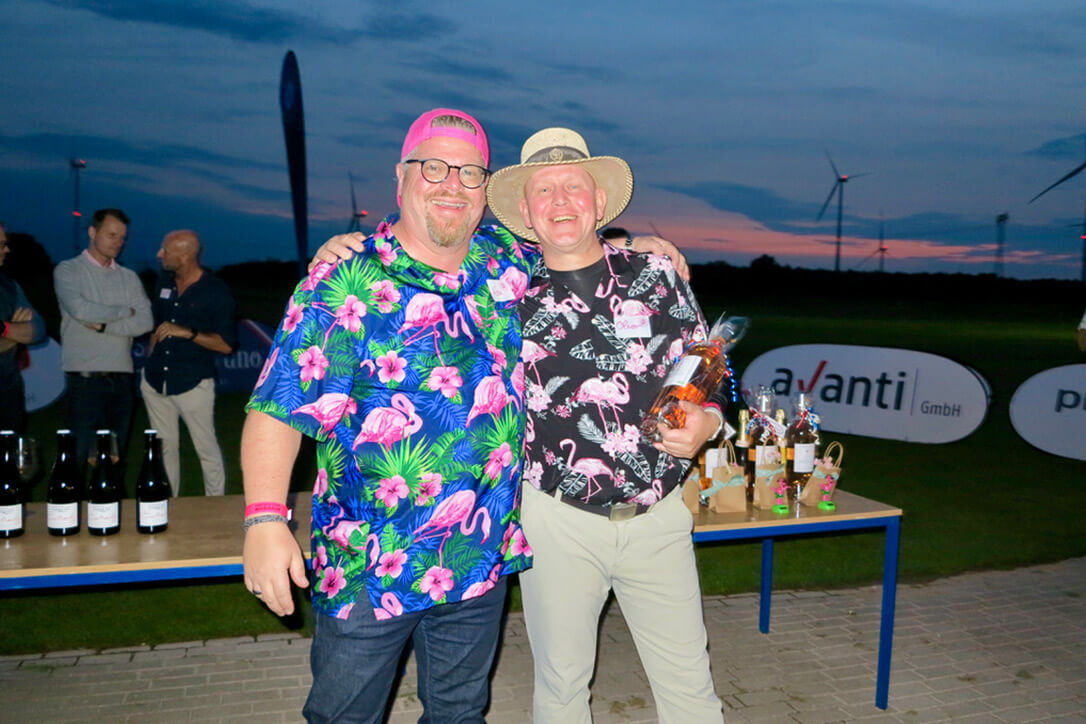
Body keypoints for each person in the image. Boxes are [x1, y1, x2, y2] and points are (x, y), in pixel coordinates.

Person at [245, 108, 687, 724]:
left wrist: (635, 245)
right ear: (401, 176)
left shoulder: (503, 262)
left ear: (485, 190)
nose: (452, 184)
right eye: (434, 167)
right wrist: (265, 521)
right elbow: (278, 407)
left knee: (459, 715)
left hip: (477, 560)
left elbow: (572, 242)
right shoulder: (343, 281)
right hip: (370, 566)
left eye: (470, 172)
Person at [485, 127, 725, 723]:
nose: (560, 201)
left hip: (657, 517)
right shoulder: (501, 292)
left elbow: (709, 369)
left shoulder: (656, 274)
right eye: (544, 190)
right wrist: (345, 245)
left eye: (574, 186)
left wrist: (709, 421)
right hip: (556, 520)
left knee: (690, 686)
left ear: (599, 201)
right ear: (525, 213)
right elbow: (418, 252)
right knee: (562, 688)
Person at [54, 208, 153, 467]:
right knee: (76, 459)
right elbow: (80, 310)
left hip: (122, 379)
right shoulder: (68, 271)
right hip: (84, 379)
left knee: (113, 460)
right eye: (111, 235)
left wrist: (102, 327)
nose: (118, 242)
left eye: (122, 237)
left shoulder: (129, 277)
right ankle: (72, 497)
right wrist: (124, 311)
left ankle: (108, 497)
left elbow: (145, 322)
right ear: (92, 232)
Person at [140, 230, 235, 496]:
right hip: (155, 381)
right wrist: (151, 352)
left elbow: (226, 345)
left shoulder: (215, 291)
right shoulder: (164, 283)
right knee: (163, 448)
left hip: (193, 383)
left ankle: (215, 505)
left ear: (184, 256)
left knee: (206, 449)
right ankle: (167, 506)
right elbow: (157, 324)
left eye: (165, 250)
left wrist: (187, 333)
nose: (159, 254)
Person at [0, 222, 46, 433]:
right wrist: (17, 333)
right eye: (1, 245)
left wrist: (5, 330)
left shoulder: (9, 286)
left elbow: (38, 329)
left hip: (9, 390)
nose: (7, 250)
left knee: (11, 449)